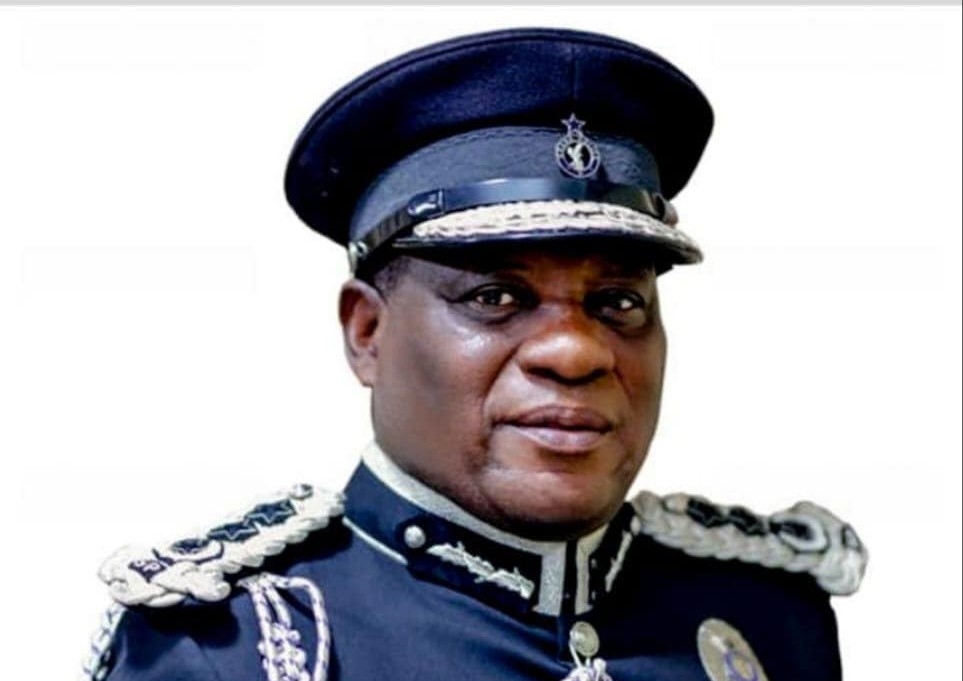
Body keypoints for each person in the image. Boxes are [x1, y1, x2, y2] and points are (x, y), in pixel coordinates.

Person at [82, 28, 867, 681]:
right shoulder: (239, 648)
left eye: (617, 302)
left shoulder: (769, 618)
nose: (575, 351)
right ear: (366, 332)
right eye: (494, 297)